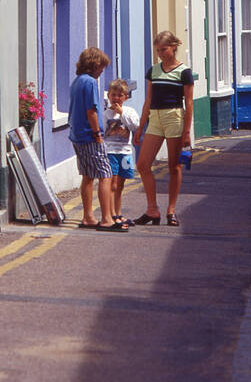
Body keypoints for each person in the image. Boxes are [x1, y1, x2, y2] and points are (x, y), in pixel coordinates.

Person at [133, 31, 194, 227]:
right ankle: (152, 209)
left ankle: (171, 210)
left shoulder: (184, 72)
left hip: (174, 117)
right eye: (158, 50)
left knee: (173, 166)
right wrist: (141, 127)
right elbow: (148, 99)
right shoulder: (153, 70)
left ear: (174, 47)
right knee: (143, 164)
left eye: (164, 50)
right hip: (155, 118)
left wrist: (186, 132)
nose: (160, 54)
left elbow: (189, 103)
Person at [69, 47, 128, 232]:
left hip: (76, 134)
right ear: (94, 65)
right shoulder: (91, 82)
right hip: (89, 134)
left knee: (87, 175)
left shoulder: (77, 81)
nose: (102, 70)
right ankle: (106, 219)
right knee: (105, 174)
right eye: (101, 66)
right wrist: (98, 135)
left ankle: (88, 217)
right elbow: (92, 111)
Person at [103, 79, 140, 226]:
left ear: (126, 96)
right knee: (113, 183)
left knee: (121, 184)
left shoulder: (129, 111)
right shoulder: (106, 114)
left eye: (119, 95)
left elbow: (134, 125)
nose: (116, 98)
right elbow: (103, 131)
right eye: (113, 95)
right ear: (109, 96)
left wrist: (122, 113)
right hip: (110, 151)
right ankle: (112, 214)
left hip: (125, 152)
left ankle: (118, 213)